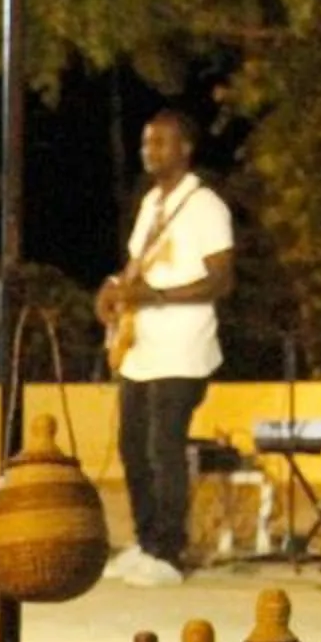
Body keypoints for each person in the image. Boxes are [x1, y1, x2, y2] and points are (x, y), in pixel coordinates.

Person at [95, 110, 236, 587]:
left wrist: (154, 297)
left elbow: (221, 279)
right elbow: (137, 266)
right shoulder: (153, 204)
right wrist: (114, 287)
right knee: (132, 446)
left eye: (159, 143)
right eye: (145, 143)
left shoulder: (205, 206)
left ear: (185, 149)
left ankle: (170, 553)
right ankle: (147, 541)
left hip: (184, 348)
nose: (149, 151)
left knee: (164, 447)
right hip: (142, 348)